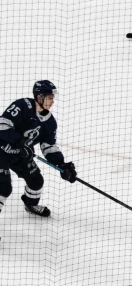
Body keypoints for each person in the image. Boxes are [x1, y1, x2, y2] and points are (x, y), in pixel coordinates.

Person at [0, 80, 76, 220]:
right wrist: (19, 142)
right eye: (49, 97)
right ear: (39, 97)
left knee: (36, 182)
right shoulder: (23, 105)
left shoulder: (50, 122)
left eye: (53, 98)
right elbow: (2, 124)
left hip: (21, 155)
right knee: (3, 189)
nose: (52, 101)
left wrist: (61, 164)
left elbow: (49, 147)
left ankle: (30, 205)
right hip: (2, 150)